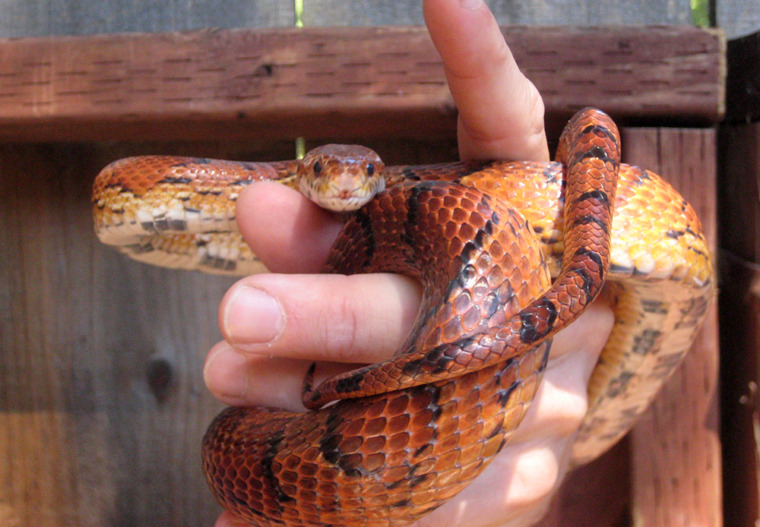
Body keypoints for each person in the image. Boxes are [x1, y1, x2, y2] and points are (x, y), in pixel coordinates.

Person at [203, 0, 614, 525]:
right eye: (325, 171)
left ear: (384, 175)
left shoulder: (446, 206)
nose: (347, 181)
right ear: (303, 173)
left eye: (368, 172)